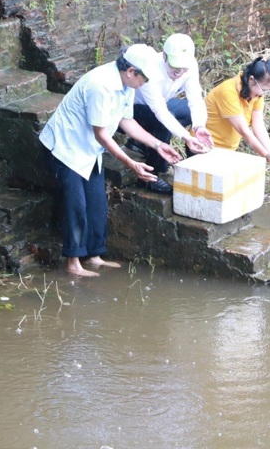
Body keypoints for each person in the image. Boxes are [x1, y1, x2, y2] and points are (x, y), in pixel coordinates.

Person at [39, 44, 182, 278]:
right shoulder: (100, 85)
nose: (146, 83)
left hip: (88, 150)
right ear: (131, 71)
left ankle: (94, 256)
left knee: (97, 203)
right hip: (66, 147)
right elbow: (102, 134)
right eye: (144, 78)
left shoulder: (127, 85)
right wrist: (131, 163)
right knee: (76, 205)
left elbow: (127, 122)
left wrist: (158, 144)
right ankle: (73, 262)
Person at [126, 33, 214, 194]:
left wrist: (199, 126)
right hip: (134, 109)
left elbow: (195, 98)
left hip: (161, 104)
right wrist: (185, 137)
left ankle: (193, 163)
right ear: (164, 57)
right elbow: (160, 111)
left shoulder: (190, 66)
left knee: (187, 112)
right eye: (175, 67)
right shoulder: (149, 69)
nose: (180, 72)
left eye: (183, 67)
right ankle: (152, 174)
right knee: (164, 121)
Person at [205, 56, 270, 174]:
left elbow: (258, 125)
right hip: (204, 148)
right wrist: (268, 157)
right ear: (251, 79)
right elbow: (245, 132)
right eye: (264, 89)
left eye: (268, 91)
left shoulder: (257, 92)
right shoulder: (228, 91)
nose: (264, 94)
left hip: (226, 152)